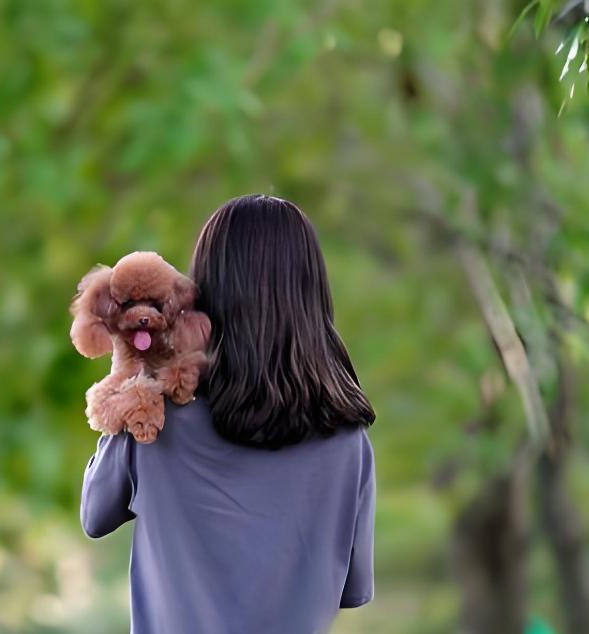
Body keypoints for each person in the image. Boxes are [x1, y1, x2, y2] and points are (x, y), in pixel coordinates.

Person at [79, 194, 377, 634]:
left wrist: (136, 368)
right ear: (313, 299)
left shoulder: (155, 425)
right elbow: (352, 590)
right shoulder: (348, 444)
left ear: (205, 296)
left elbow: (95, 515)